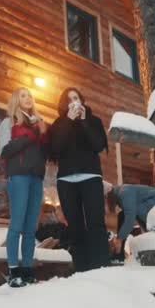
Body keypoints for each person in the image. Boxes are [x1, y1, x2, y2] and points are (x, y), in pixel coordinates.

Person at [49, 87, 110, 271]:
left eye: (76, 98)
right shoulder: (58, 124)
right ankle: (82, 270)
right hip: (66, 180)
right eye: (68, 100)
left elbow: (98, 145)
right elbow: (55, 149)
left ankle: (100, 267)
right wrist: (68, 120)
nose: (73, 102)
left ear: (82, 101)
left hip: (91, 176)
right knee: (74, 226)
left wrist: (84, 122)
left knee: (95, 223)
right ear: (64, 105)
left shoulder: (94, 121)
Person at [0, 87, 48, 287]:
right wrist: (29, 136)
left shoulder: (38, 124)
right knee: (17, 224)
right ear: (16, 101)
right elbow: (4, 150)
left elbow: (44, 152)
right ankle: (13, 271)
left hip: (36, 179)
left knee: (30, 228)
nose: (28, 98)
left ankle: (27, 270)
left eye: (30, 96)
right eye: (23, 96)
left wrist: (43, 136)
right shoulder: (8, 122)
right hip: (18, 177)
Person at [104, 182, 155, 262]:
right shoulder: (122, 194)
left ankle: (119, 254)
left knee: (126, 215)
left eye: (105, 198)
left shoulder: (125, 192)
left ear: (109, 194)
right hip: (154, 207)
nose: (106, 202)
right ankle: (119, 255)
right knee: (123, 215)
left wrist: (119, 239)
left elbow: (130, 219)